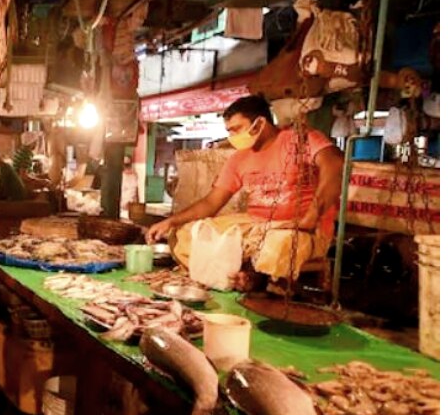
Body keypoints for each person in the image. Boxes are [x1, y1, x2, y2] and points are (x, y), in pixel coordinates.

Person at [145, 95, 344, 290]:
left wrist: (312, 216)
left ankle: (255, 279)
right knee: (186, 234)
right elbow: (211, 202)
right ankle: (233, 277)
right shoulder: (238, 159)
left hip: (304, 227)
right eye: (229, 131)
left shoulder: (302, 140)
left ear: (259, 124)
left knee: (278, 245)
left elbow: (335, 164)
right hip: (255, 224)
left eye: (236, 129)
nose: (232, 137)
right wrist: (171, 221)